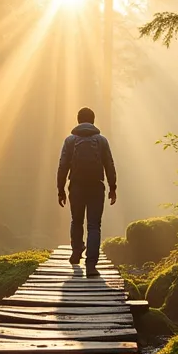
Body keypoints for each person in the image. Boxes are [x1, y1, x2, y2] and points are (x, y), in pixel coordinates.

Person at [57, 107, 117, 278]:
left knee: (76, 221)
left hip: (76, 186)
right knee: (93, 225)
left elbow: (62, 166)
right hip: (96, 187)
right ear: (93, 120)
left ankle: (76, 251)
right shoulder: (101, 141)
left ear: (78, 120)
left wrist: (60, 190)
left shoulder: (70, 141)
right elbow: (109, 165)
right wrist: (113, 188)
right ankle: (91, 265)